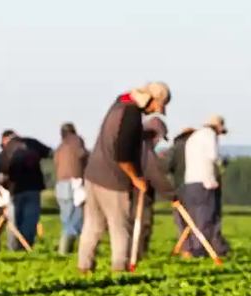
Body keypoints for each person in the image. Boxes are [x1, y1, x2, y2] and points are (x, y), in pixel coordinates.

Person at [79, 82, 171, 273]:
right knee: (120, 227)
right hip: (112, 180)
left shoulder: (120, 103)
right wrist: (136, 178)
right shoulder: (131, 114)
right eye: (157, 106)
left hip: (92, 174)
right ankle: (120, 270)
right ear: (151, 100)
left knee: (92, 225)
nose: (155, 111)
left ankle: (84, 268)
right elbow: (122, 155)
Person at [183, 115, 231, 259]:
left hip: (190, 182)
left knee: (195, 217)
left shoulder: (193, 137)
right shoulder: (210, 135)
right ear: (218, 127)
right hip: (205, 182)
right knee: (208, 216)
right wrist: (223, 161)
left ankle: (196, 248)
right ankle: (207, 250)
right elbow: (213, 156)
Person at [0, 130, 51, 251]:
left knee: (14, 221)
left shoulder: (5, 151)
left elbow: (2, 172)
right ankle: (27, 245)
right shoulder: (32, 142)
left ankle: (13, 247)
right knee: (30, 220)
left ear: (4, 140)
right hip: (34, 188)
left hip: (15, 190)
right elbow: (50, 153)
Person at [136, 117, 178, 256]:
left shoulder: (134, 141)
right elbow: (154, 174)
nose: (158, 142)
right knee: (143, 223)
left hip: (124, 189)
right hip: (138, 192)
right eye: (159, 138)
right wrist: (171, 194)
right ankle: (138, 255)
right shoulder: (145, 147)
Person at [53, 123, 88, 254]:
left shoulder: (59, 148)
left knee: (66, 219)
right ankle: (64, 250)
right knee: (76, 219)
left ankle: (63, 250)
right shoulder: (76, 141)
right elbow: (82, 155)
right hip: (74, 183)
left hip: (60, 185)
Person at [168, 127, 194, 242]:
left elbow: (165, 166)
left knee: (182, 221)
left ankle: (186, 247)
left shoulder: (176, 148)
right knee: (198, 220)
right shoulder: (199, 147)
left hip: (180, 189)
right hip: (199, 189)